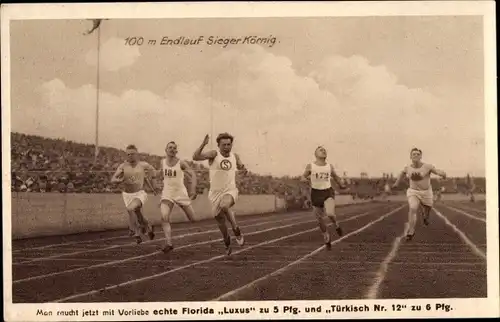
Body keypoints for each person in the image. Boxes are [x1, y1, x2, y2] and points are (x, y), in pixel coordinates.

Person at [192, 133, 245, 255]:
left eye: (229, 144)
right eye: (224, 145)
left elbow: (241, 166)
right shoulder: (214, 154)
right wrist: (203, 144)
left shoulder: (235, 156)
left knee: (224, 205)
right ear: (219, 145)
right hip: (215, 193)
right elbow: (195, 157)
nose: (227, 147)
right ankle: (226, 240)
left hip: (230, 190)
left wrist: (243, 169)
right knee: (220, 221)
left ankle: (236, 229)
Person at [392, 148, 447, 241]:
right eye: (414, 154)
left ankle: (425, 217)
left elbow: (437, 171)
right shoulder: (408, 168)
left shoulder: (427, 166)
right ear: (410, 156)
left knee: (428, 208)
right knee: (413, 208)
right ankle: (411, 231)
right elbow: (402, 173)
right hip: (413, 191)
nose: (416, 156)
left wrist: (443, 174)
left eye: (418, 154)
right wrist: (396, 183)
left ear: (421, 156)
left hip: (426, 192)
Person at [302, 146, 346, 250]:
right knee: (320, 219)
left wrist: (341, 184)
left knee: (330, 213)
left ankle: (336, 225)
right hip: (316, 193)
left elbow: (336, 177)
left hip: (327, 192)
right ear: (316, 154)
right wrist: (306, 179)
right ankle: (326, 236)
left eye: (324, 150)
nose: (323, 151)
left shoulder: (329, 166)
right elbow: (303, 177)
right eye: (321, 150)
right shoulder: (310, 166)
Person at [110, 144, 156, 244]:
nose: (130, 156)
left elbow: (152, 171)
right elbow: (113, 179)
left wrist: (153, 185)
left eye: (132, 154)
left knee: (130, 209)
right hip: (127, 195)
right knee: (138, 215)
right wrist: (119, 180)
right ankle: (149, 227)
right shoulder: (123, 166)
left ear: (137, 154)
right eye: (128, 154)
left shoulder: (143, 165)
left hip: (139, 194)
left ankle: (137, 234)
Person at [159, 141, 198, 253]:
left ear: (176, 151)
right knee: (164, 216)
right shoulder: (162, 162)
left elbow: (193, 174)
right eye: (170, 147)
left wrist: (193, 189)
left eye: (174, 148)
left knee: (193, 219)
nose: (172, 149)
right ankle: (169, 243)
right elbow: (161, 175)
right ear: (166, 150)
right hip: (167, 193)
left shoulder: (181, 163)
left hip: (181, 193)